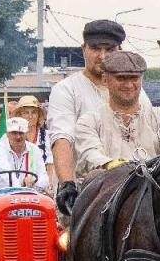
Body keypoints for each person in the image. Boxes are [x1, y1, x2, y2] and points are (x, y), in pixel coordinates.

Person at [47, 19, 150, 213]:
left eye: (109, 49)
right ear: (83, 48)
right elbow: (62, 138)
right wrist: (67, 183)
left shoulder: (135, 91)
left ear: (120, 50)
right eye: (95, 48)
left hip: (136, 193)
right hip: (87, 194)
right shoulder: (67, 90)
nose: (102, 56)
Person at [74, 49, 160, 175]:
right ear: (105, 80)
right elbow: (89, 154)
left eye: (134, 78)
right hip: (108, 187)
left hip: (155, 186)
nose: (129, 85)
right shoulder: (89, 122)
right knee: (93, 176)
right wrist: (110, 164)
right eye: (121, 78)